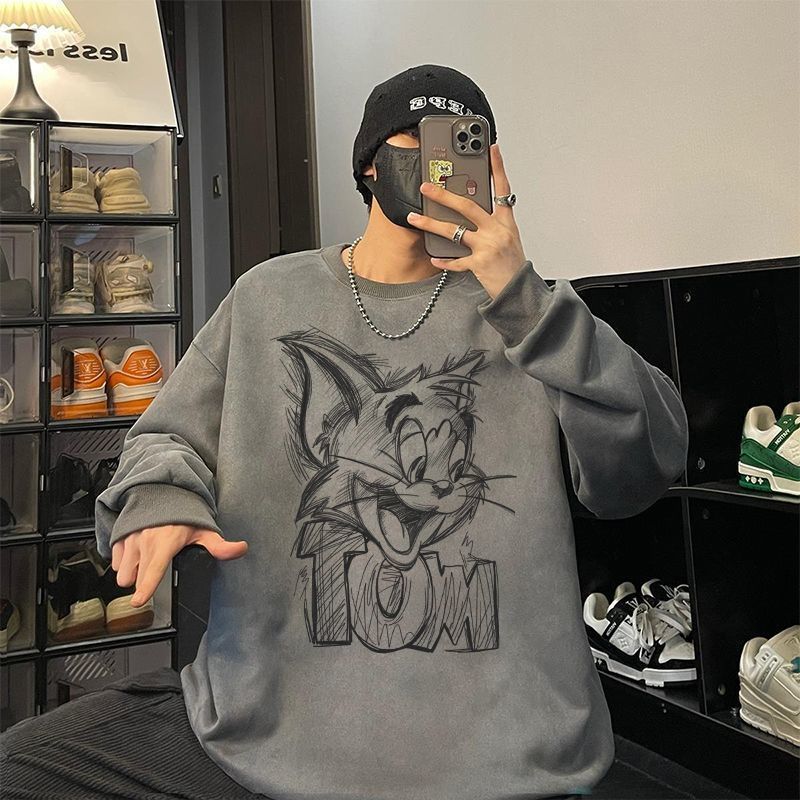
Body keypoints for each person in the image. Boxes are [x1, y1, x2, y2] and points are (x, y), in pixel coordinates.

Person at [0, 64, 689, 800]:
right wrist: (161, 499)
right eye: (416, 140)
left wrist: (522, 297)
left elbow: (646, 465)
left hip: (502, 756)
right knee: (22, 766)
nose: (438, 163)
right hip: (266, 724)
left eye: (462, 142)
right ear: (370, 165)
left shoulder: (534, 316)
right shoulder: (270, 295)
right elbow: (165, 437)